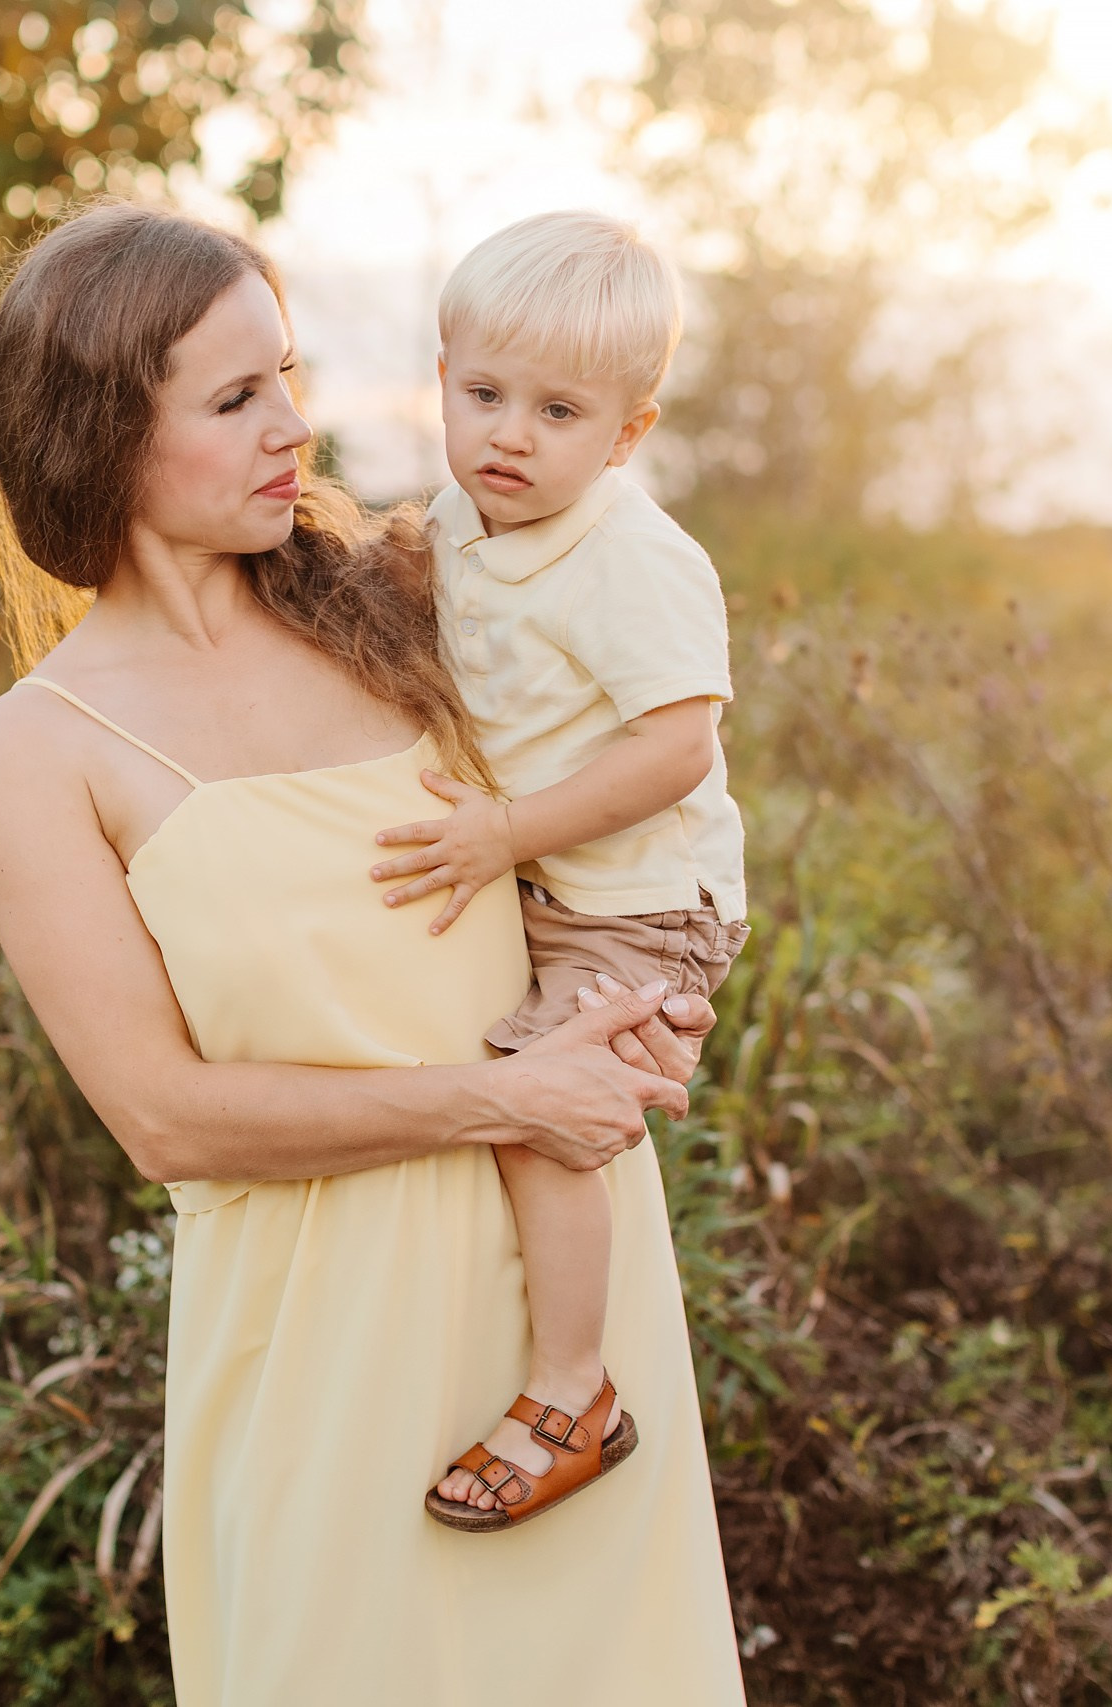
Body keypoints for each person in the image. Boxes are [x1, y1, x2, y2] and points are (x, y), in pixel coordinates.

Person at [0, 202, 748, 1706]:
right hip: (329, 1342)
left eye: (292, 378)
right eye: (239, 396)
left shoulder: (393, 602)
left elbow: (643, 790)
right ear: (106, 432)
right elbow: (167, 1118)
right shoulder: (37, 751)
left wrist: (655, 994)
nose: (296, 427)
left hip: (565, 1330)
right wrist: (503, 1100)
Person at [367, 213, 750, 1532]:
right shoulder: (459, 518)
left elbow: (678, 750)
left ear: (627, 435)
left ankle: (573, 1391)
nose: (508, 435)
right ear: (442, 377)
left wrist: (503, 835)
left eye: (557, 410)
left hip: (643, 898)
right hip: (546, 885)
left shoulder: (634, 562)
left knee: (540, 1103)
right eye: (482, 394)